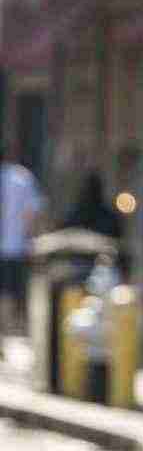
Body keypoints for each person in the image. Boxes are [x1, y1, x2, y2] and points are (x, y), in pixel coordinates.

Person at [0, 140, 44, 333]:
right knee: (11, 293)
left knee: (6, 293)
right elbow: (32, 213)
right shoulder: (22, 178)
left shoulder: (21, 178)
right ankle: (7, 330)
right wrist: (32, 239)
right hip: (15, 245)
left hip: (12, 245)